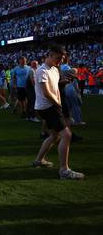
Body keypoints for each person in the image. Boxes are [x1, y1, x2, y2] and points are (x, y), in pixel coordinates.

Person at [32, 45, 84, 180]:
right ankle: (64, 170)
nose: (60, 61)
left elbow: (54, 86)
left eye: (62, 59)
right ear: (49, 55)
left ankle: (39, 160)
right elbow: (46, 92)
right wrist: (58, 104)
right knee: (66, 135)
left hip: (50, 106)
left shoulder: (54, 69)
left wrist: (63, 83)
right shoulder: (41, 70)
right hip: (48, 107)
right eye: (58, 58)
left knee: (55, 136)